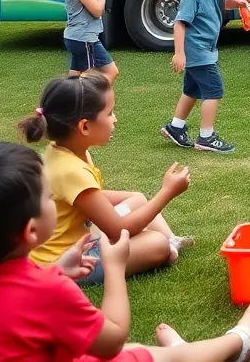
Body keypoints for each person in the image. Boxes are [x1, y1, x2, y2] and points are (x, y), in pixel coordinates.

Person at [0, 141, 250, 362]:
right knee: (157, 355)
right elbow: (110, 341)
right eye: (47, 198)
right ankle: (239, 340)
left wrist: (56, 272)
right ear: (30, 231)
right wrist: (114, 265)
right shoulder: (44, 292)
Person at [21, 73, 193, 285]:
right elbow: (117, 229)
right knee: (156, 244)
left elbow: (87, 199)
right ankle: (166, 246)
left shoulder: (63, 150)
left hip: (81, 235)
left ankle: (172, 241)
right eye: (109, 113)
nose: (115, 119)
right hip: (69, 259)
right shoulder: (70, 170)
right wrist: (167, 193)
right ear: (84, 127)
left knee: (137, 198)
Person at [160, 0, 250, 154]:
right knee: (214, 90)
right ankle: (206, 137)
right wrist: (179, 53)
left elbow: (220, 2)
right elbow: (180, 23)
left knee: (192, 90)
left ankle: (176, 126)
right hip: (198, 52)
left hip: (203, 51)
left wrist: (234, 2)